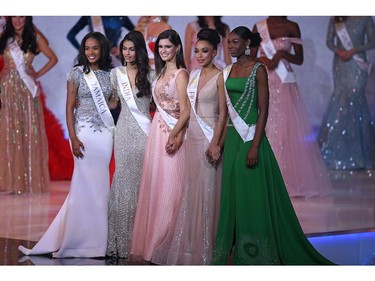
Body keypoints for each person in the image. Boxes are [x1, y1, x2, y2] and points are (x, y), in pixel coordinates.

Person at [210, 26, 334, 265]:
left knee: (252, 196)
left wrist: (256, 145)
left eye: (235, 42)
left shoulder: (258, 69)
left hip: (251, 140)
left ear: (247, 43)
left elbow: (264, 110)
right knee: (233, 195)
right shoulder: (227, 71)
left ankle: (256, 250)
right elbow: (224, 115)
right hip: (233, 139)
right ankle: (231, 249)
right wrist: (219, 143)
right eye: (228, 43)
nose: (230, 46)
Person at [18, 31, 116, 258]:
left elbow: (111, 103)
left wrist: (109, 103)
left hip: (104, 136)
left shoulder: (110, 75)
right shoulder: (76, 74)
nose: (91, 52)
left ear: (102, 50)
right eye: (87, 48)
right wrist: (72, 137)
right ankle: (75, 240)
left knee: (101, 187)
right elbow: (69, 108)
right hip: (83, 135)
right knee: (82, 186)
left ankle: (98, 243)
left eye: (95, 48)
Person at [151, 28, 228, 265]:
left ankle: (209, 247)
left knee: (208, 193)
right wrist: (178, 135)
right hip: (191, 139)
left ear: (215, 51)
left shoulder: (221, 76)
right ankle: (192, 246)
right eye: (197, 51)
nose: (201, 55)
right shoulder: (192, 74)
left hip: (209, 137)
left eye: (205, 51)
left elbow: (224, 115)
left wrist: (217, 143)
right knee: (191, 193)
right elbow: (187, 112)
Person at [251, 16, 332, 198]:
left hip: (284, 81)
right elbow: (250, 57)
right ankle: (263, 178)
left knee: (285, 129)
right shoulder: (259, 26)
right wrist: (263, 60)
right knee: (265, 126)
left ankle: (285, 179)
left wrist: (281, 54)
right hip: (265, 79)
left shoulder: (291, 26)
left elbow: (299, 58)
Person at [129, 29, 189, 263]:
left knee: (171, 190)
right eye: (160, 47)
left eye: (168, 47)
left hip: (173, 135)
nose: (163, 51)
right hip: (157, 134)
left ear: (178, 48)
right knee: (156, 188)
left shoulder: (181, 74)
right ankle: (153, 245)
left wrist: (175, 134)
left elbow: (186, 111)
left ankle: (166, 244)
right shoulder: (160, 73)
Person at [106, 30, 154, 260]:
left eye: (131, 49)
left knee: (143, 181)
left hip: (146, 132)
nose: (127, 53)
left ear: (139, 50)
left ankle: (141, 241)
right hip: (124, 130)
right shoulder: (116, 74)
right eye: (124, 49)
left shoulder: (152, 75)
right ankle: (121, 239)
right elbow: (112, 102)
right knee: (123, 179)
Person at [0, 16, 57, 194]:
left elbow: (53, 58)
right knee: (9, 132)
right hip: (6, 88)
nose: (18, 20)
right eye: (14, 16)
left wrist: (37, 74)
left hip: (26, 91)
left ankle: (27, 182)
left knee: (27, 131)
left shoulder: (35, 37)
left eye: (22, 16)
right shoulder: (4, 37)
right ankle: (9, 182)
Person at [318, 16, 375, 170]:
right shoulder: (337, 17)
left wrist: (354, 50)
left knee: (356, 98)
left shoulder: (366, 18)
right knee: (340, 100)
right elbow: (329, 41)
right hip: (340, 62)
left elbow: (372, 41)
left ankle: (360, 155)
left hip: (357, 62)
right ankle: (336, 153)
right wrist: (340, 51)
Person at [67, 16, 134, 124]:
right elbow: (70, 36)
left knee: (116, 105)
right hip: (94, 66)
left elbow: (138, 37)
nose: (90, 50)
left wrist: (122, 50)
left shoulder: (121, 15)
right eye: (87, 48)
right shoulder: (90, 16)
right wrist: (88, 53)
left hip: (114, 63)